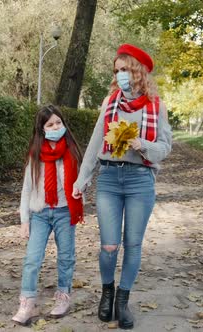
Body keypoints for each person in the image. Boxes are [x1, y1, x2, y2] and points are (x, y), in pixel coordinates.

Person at [72, 44, 172, 329]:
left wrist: (144, 146)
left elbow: (165, 147)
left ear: (138, 71)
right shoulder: (109, 102)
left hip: (141, 179)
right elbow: (94, 143)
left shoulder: (157, 106)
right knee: (109, 245)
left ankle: (122, 301)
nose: (120, 75)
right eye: (116, 71)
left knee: (132, 244)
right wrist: (83, 178)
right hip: (110, 179)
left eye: (124, 69)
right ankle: (107, 292)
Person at [12, 105, 84, 326]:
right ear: (42, 129)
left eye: (58, 123)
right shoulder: (36, 156)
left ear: (64, 124)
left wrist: (81, 190)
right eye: (50, 124)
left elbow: (81, 182)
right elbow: (26, 190)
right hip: (40, 214)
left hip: (64, 212)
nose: (55, 127)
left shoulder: (71, 152)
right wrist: (25, 220)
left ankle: (63, 296)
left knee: (65, 257)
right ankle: (28, 303)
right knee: (32, 259)